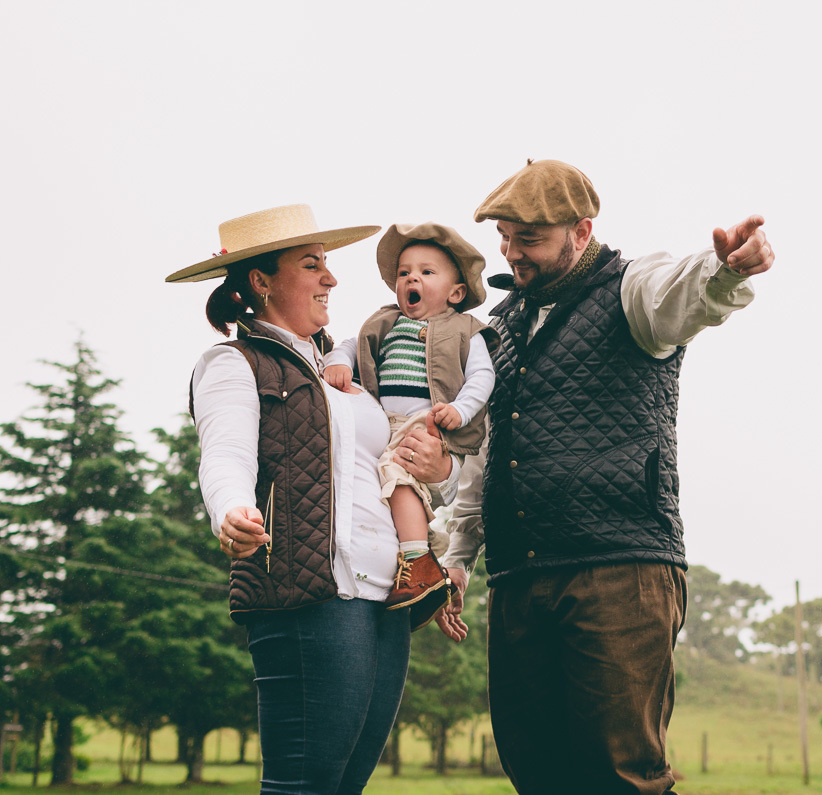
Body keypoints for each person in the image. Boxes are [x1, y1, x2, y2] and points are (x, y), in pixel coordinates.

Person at [440, 160, 776, 794]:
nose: (513, 254)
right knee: (535, 772)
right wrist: (458, 556)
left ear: (581, 230)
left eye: (529, 240)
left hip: (618, 568)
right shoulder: (501, 328)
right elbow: (483, 457)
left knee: (622, 775)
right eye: (505, 239)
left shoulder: (631, 288)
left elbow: (683, 295)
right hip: (518, 575)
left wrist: (725, 269)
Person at [166, 204, 464, 794]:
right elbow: (225, 455)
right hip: (310, 594)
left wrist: (443, 469)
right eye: (312, 265)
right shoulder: (233, 362)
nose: (331, 278)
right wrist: (230, 510)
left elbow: (401, 467)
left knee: (345, 785)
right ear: (260, 281)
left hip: (388, 600)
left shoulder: (350, 368)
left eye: (328, 264)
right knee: (304, 785)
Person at [322, 222, 497, 628]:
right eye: (404, 273)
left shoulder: (468, 331)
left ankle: (418, 561)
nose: (412, 278)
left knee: (398, 476)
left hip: (429, 420)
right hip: (386, 422)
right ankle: (415, 558)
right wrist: (337, 361)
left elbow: (482, 377)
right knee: (384, 484)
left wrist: (462, 410)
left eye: (427, 272)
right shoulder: (385, 322)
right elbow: (351, 344)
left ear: (455, 293)